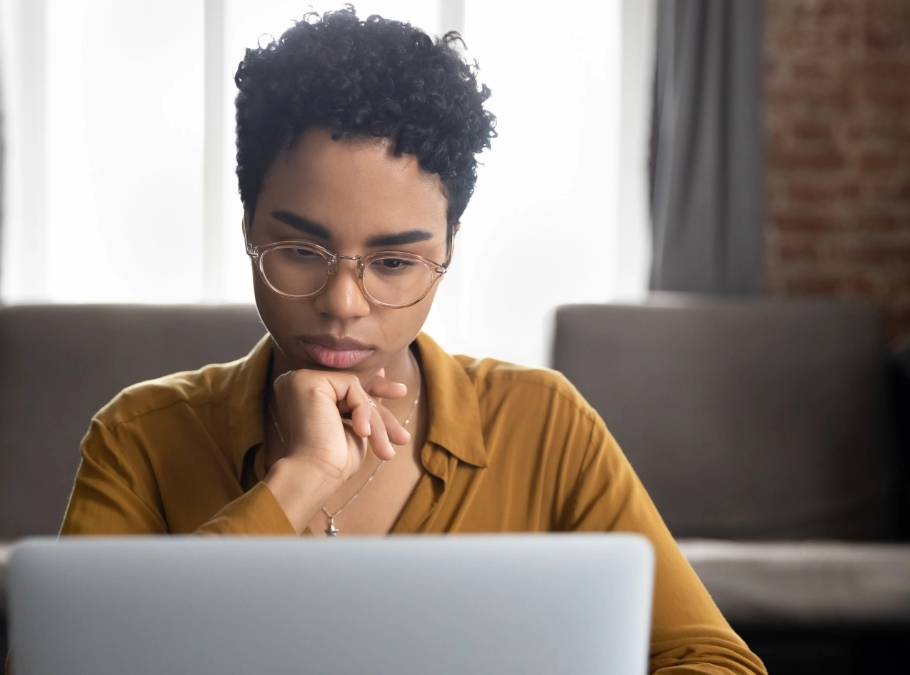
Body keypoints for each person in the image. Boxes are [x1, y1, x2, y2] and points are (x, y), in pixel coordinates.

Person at [58, 7, 767, 674]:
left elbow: (717, 660)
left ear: (450, 245)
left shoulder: (544, 425)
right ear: (248, 225)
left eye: (394, 262)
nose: (342, 303)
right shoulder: (139, 438)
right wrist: (297, 480)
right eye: (301, 249)